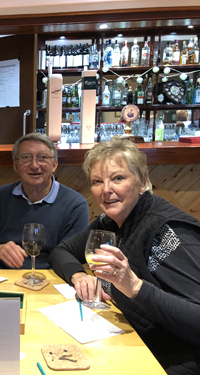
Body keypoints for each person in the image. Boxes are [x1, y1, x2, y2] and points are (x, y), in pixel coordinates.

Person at [49, 137, 200, 374]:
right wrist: (79, 276)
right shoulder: (109, 224)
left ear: (142, 182)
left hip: (170, 361)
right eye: (97, 181)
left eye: (118, 178)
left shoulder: (165, 231)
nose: (106, 189)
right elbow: (61, 251)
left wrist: (135, 287)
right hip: (129, 342)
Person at [0, 132, 89, 270]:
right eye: (26, 158)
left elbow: (71, 261)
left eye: (43, 158)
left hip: (50, 281)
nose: (34, 165)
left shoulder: (75, 204)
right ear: (15, 166)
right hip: (3, 280)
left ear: (54, 165)